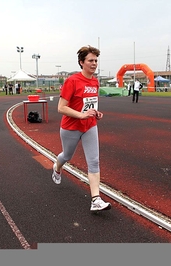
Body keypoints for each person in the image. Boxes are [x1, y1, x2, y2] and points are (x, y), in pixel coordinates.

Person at [52, 45, 111, 212]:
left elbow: (89, 105)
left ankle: (95, 199)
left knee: (94, 161)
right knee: (67, 155)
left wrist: (95, 113)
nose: (94, 63)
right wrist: (81, 115)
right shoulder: (72, 81)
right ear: (81, 62)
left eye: (96, 60)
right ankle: (57, 168)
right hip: (71, 127)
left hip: (90, 126)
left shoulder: (95, 81)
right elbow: (61, 108)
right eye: (90, 60)